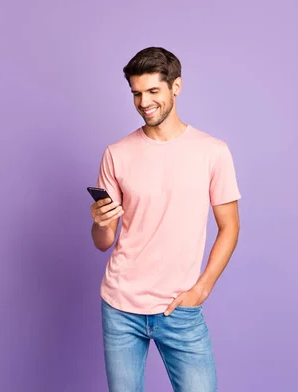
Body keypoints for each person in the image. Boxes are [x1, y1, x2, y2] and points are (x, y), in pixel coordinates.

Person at [89, 47, 241, 392]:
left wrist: (201, 289)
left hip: (179, 310)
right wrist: (100, 222)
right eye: (136, 94)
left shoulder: (212, 151)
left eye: (153, 91)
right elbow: (103, 243)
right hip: (120, 307)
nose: (144, 102)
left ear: (176, 87)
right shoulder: (116, 154)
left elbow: (230, 226)